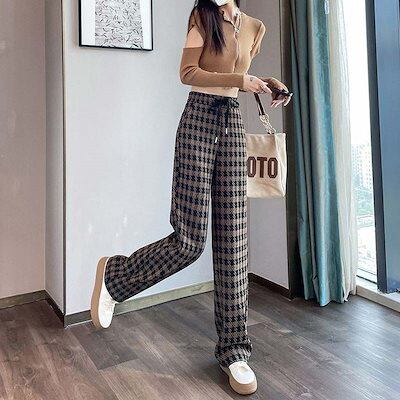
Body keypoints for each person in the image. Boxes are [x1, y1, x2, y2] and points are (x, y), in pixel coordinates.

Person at [90, 0, 292, 395]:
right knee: (189, 240)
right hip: (198, 120)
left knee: (234, 243)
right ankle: (115, 276)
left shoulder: (255, 27)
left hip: (233, 123)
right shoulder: (202, 16)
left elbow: (236, 74)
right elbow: (188, 72)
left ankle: (235, 351)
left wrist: (265, 83)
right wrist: (243, 79)